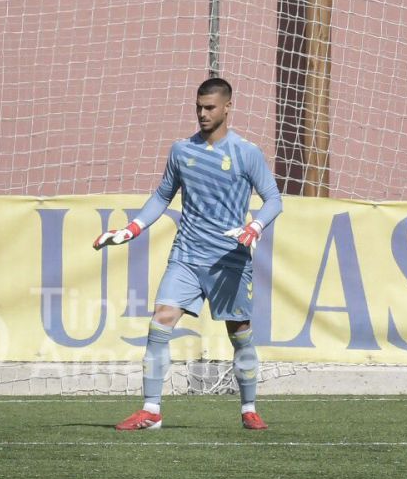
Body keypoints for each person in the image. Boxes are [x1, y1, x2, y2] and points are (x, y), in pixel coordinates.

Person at [93, 77, 282, 431]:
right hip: (187, 255)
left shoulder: (246, 153)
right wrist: (131, 229)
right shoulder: (181, 151)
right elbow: (163, 196)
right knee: (159, 322)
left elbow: (273, 198)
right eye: (198, 106)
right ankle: (151, 411)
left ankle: (249, 408)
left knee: (239, 333)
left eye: (209, 107)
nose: (202, 113)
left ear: (228, 107)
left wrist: (254, 227)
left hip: (229, 259)